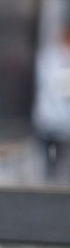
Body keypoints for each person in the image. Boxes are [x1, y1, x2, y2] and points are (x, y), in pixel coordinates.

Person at [32, 23, 70, 183]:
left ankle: (57, 184)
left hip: (63, 123)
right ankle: (49, 183)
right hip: (48, 119)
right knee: (48, 159)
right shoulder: (48, 59)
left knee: (62, 159)